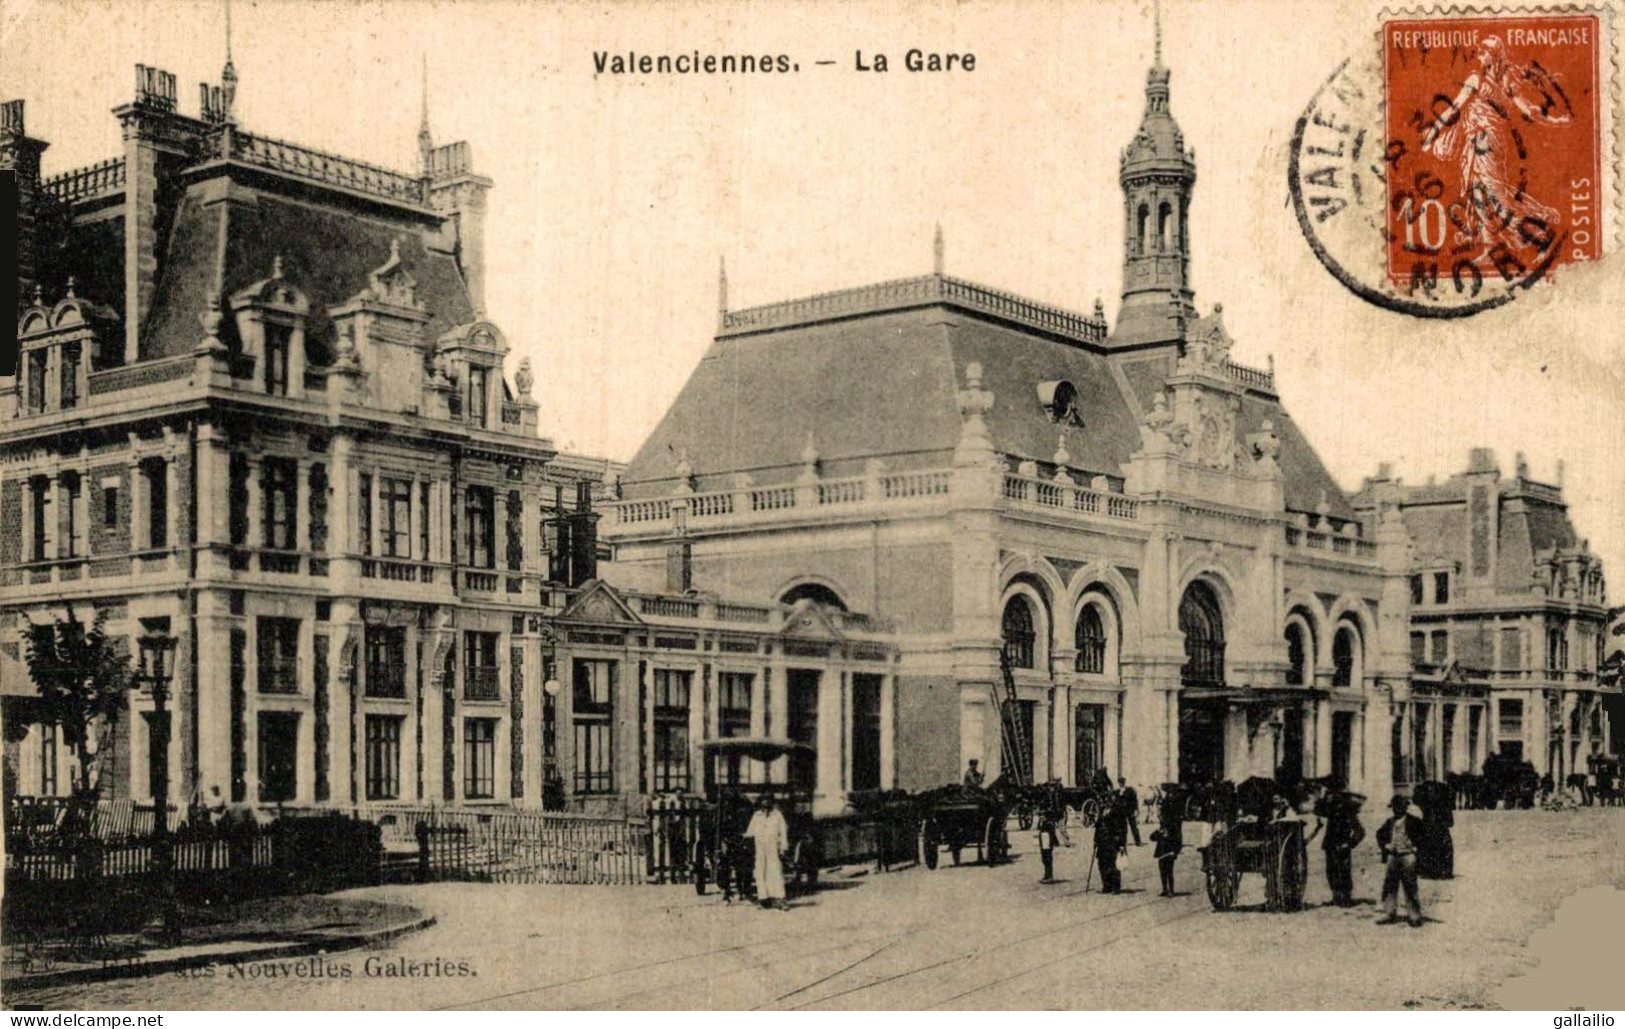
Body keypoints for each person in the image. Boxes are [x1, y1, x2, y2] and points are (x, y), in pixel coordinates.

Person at [1375, 794, 1425, 927]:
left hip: (1408, 857)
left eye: (1400, 806)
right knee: (1390, 886)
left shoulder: (1414, 821)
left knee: (1410, 887)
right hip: (1393, 856)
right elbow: (1379, 834)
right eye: (1395, 807)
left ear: (1405, 807)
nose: (1397, 809)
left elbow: (1425, 836)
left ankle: (1414, 915)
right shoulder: (1389, 822)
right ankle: (1389, 912)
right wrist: (1385, 845)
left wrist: (1416, 848)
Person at [744, 795, 790, 910]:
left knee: (775, 871)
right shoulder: (757, 816)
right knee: (760, 872)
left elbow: (783, 832)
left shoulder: (777, 815)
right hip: (760, 849)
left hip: (773, 848)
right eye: (763, 801)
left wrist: (783, 847)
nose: (766, 803)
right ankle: (763, 899)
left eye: (768, 801)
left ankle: (780, 899)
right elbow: (750, 832)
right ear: (760, 803)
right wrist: (744, 838)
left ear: (771, 802)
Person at [1322, 791, 1366, 907]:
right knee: (1331, 872)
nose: (1330, 800)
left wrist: (1350, 844)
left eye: (1333, 799)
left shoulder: (1348, 813)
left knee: (1343, 872)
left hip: (1342, 846)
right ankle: (1336, 898)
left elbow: (1360, 832)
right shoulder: (1331, 813)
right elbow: (1318, 809)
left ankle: (1345, 899)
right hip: (1330, 846)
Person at [1094, 790, 1129, 893]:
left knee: (1113, 864)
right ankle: (1106, 885)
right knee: (1102, 863)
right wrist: (1095, 839)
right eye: (1104, 799)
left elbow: (1123, 826)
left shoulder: (1118, 809)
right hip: (1102, 841)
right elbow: (1098, 826)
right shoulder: (1102, 810)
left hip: (1113, 840)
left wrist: (1121, 840)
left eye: (1108, 799)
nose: (1105, 801)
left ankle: (1115, 886)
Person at [1151, 797, 1182, 897]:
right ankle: (1164, 889)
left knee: (1169, 871)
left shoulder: (1172, 825)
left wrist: (1175, 851)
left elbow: (1177, 839)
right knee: (1162, 871)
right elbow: (1152, 838)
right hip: (1161, 851)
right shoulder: (1162, 825)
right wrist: (1157, 833)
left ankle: (1171, 890)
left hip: (1169, 851)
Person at [1036, 810, 1059, 884]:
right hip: (1044, 843)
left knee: (1048, 859)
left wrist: (1055, 842)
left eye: (1043, 816)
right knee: (1044, 859)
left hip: (1047, 843)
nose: (1041, 817)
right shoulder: (1044, 823)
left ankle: (1049, 876)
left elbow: (1053, 834)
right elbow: (1038, 828)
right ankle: (1046, 875)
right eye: (1040, 816)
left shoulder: (1049, 823)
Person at [1118, 778, 1142, 846]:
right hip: (1123, 811)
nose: (1120, 784)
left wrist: (1136, 810)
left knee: (1133, 826)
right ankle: (1123, 842)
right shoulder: (1118, 791)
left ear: (1124, 783)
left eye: (1121, 783)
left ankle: (1138, 841)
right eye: (1120, 783)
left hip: (1130, 810)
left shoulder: (1130, 790)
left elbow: (1135, 801)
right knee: (1123, 827)